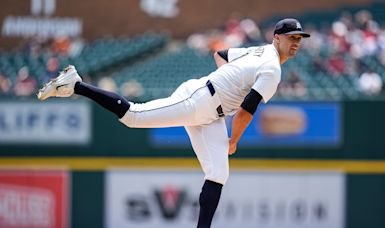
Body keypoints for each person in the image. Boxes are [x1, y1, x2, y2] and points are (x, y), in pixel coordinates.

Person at [37, 18, 310, 228]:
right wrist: (234, 140)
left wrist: (228, 88)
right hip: (199, 100)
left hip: (211, 112)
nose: (296, 42)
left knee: (218, 174)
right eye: (291, 37)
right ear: (277, 38)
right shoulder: (272, 68)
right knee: (133, 116)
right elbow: (246, 111)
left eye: (299, 38)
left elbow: (222, 56)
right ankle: (76, 84)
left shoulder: (260, 52)